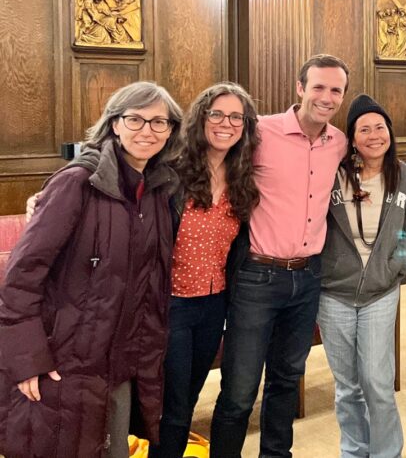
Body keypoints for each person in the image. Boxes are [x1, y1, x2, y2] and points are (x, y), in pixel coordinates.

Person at [0, 82, 183, 458]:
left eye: (159, 122)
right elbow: (21, 278)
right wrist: (27, 360)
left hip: (118, 362)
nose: (147, 131)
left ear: (170, 131)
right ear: (114, 124)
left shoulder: (158, 190)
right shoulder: (77, 183)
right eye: (135, 119)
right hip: (61, 360)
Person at [210, 54, 350, 458]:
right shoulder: (259, 133)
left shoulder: (338, 142)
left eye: (335, 89)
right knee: (239, 389)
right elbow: (206, 163)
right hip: (257, 277)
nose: (326, 97)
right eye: (318, 87)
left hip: (307, 278)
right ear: (300, 88)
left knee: (287, 379)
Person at [150, 83, 261, 458]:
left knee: (190, 397)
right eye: (217, 114)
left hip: (214, 305)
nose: (226, 123)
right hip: (171, 305)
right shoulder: (169, 170)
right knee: (174, 408)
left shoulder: (242, 177)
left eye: (236, 117)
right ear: (201, 118)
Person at [318, 94, 406, 458]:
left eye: (380, 127)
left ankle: (386, 452)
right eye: (364, 129)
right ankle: (354, 451)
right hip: (334, 294)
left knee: (378, 383)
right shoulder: (333, 176)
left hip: (381, 293)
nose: (374, 135)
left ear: (390, 133)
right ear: (352, 137)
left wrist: (393, 265)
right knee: (347, 385)